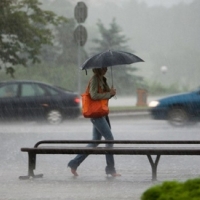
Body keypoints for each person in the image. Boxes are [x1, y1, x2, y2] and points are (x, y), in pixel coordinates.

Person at [68, 67, 121, 177]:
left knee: (95, 141)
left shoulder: (103, 79)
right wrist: (108, 94)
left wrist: (111, 93)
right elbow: (93, 95)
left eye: (106, 67)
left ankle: (74, 163)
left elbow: (104, 96)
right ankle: (111, 169)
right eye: (103, 68)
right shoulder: (95, 80)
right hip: (96, 114)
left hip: (102, 113)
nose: (105, 69)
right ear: (98, 69)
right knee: (110, 139)